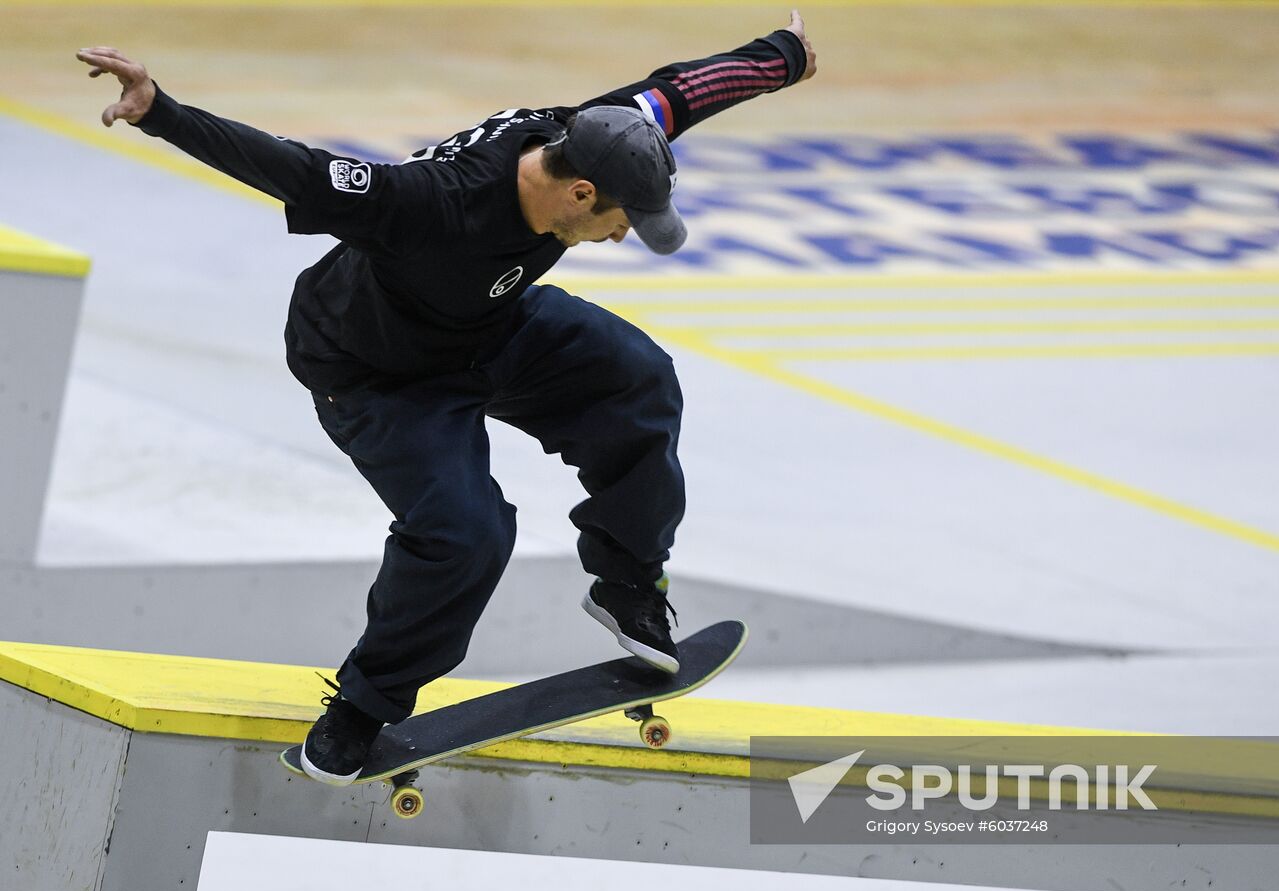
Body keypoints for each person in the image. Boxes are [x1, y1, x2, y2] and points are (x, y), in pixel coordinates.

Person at [77, 14, 815, 785]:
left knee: (637, 378)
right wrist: (160, 112)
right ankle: (358, 712)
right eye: (621, 220)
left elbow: (681, 91)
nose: (624, 236)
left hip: (488, 327)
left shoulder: (598, 131)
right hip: (376, 373)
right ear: (582, 192)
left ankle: (630, 581)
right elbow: (293, 171)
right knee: (465, 533)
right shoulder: (426, 202)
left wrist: (782, 58)